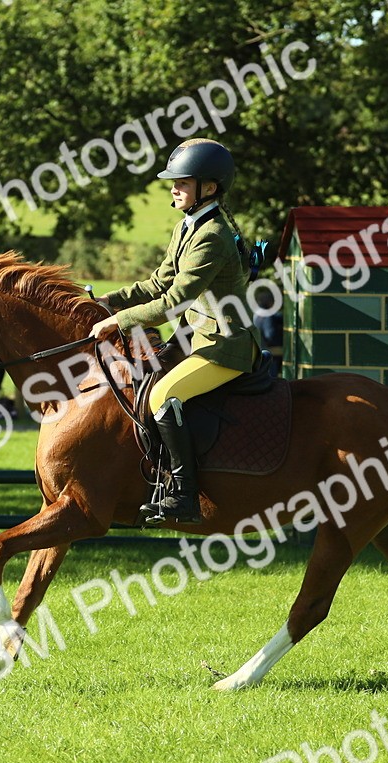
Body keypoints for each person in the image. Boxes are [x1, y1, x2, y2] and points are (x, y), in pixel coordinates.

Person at [91, 138, 261, 524]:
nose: (173, 188)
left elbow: (175, 301)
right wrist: (105, 301)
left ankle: (184, 497)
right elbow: (156, 284)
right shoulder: (188, 227)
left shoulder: (212, 236)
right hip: (196, 339)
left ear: (209, 188)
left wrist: (118, 321)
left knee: (164, 397)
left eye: (181, 182)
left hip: (224, 346)